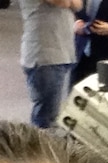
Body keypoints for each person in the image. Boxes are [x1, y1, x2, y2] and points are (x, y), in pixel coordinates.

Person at [19, 0, 83, 129]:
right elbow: (63, 2)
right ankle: (40, 147)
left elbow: (79, 5)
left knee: (51, 113)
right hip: (44, 55)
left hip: (62, 53)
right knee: (46, 116)